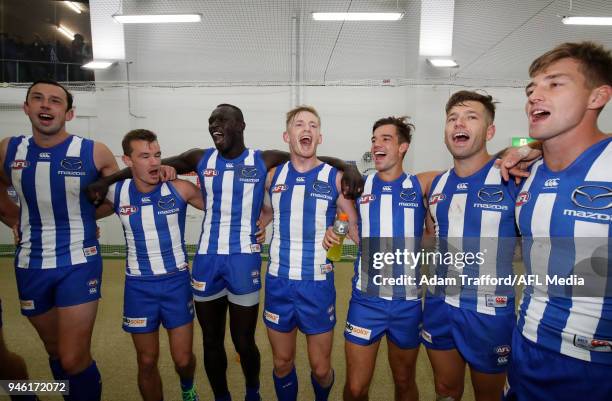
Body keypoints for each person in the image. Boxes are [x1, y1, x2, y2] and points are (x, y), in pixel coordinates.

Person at [87, 103, 363, 401]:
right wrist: (107, 181)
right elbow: (150, 165)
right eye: (212, 120)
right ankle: (222, 397)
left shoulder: (263, 160)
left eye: (223, 119)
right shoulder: (199, 157)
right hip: (207, 262)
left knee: (245, 341)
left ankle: (252, 393)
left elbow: (312, 160)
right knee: (212, 341)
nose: (216, 124)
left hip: (246, 261)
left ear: (241, 125)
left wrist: (349, 166)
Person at [500, 41, 612, 401]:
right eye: (531, 89)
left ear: (597, 97)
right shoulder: (527, 169)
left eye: (554, 84)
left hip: (595, 365)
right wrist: (525, 146)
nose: (535, 95)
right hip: (526, 346)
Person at [0, 79, 119, 401]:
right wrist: (13, 217)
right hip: (30, 262)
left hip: (78, 261)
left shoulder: (93, 152)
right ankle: (54, 393)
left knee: (73, 357)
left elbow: (116, 197)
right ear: (26, 108)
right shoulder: (9, 148)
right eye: (37, 98)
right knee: (54, 351)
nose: (45, 105)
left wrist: (83, 218)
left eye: (54, 101)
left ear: (68, 113)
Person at [422, 91, 519, 401]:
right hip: (439, 304)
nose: (459, 123)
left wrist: (532, 147)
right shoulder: (437, 184)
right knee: (445, 390)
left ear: (489, 132)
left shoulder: (512, 176)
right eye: (453, 118)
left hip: (490, 312)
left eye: (471, 117)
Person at [324, 116, 428, 401]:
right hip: (366, 301)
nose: (377, 144)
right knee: (356, 389)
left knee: (405, 381)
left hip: (407, 303)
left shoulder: (421, 185)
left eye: (386, 139)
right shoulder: (360, 185)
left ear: (403, 147)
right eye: (374, 139)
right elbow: (343, 222)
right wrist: (334, 232)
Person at [96, 129, 202, 401]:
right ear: (128, 160)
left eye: (157, 155)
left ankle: (188, 387)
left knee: (182, 359)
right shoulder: (116, 193)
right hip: (139, 288)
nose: (154, 162)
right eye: (144, 156)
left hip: (176, 283)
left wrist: (264, 219)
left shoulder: (179, 188)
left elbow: (226, 209)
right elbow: (78, 213)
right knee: (146, 361)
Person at [262, 105, 358, 401]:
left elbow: (353, 229)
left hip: (316, 284)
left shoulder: (335, 178)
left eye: (313, 125)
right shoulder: (272, 177)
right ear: (287, 135)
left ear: (320, 136)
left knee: (320, 369)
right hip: (278, 282)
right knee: (281, 363)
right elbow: (265, 212)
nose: (306, 129)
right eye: (299, 124)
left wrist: (337, 233)